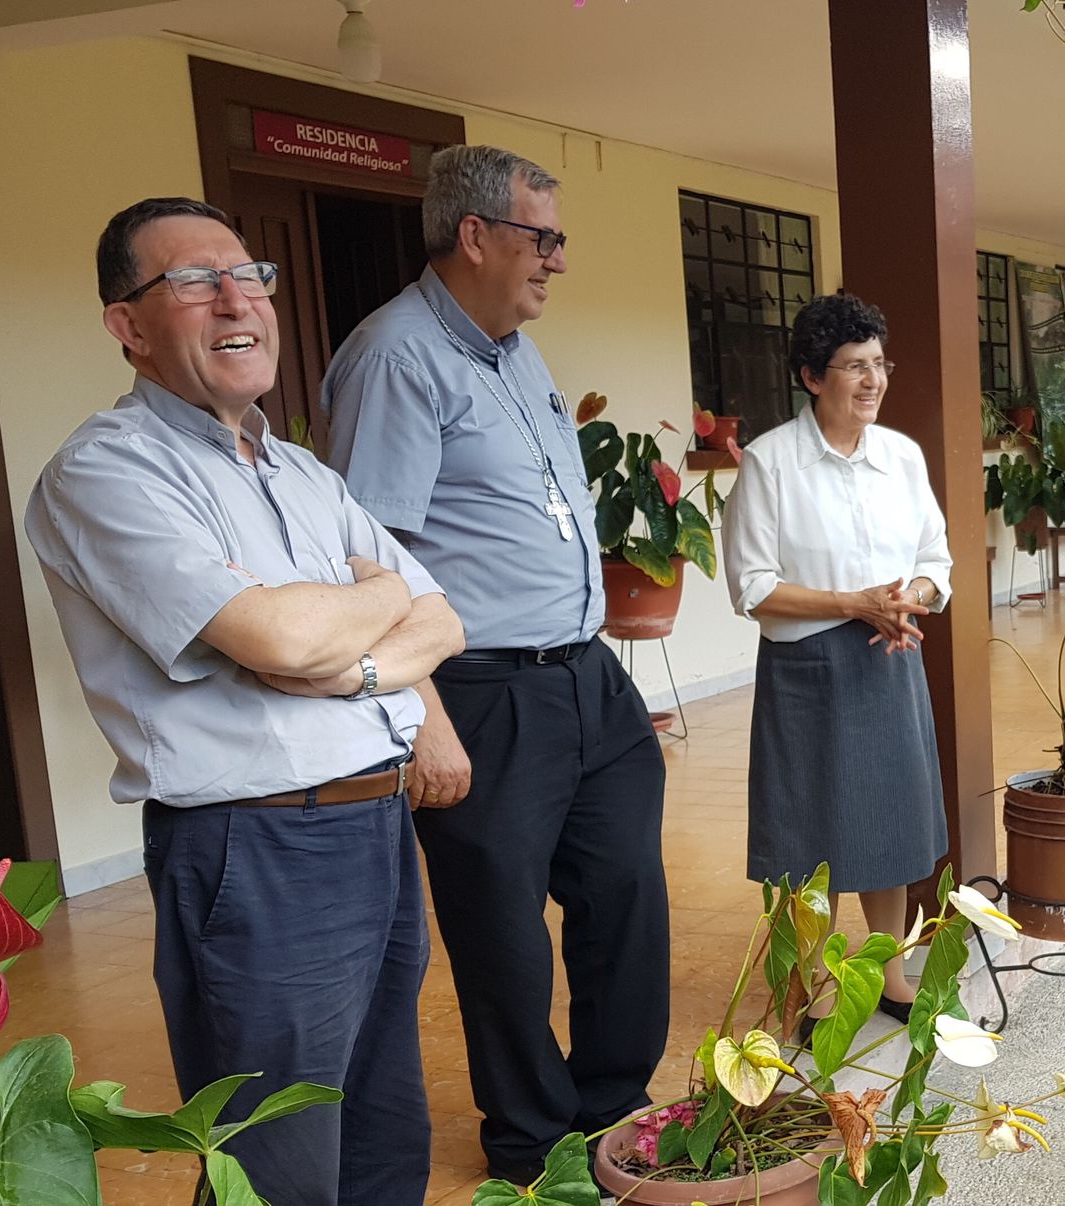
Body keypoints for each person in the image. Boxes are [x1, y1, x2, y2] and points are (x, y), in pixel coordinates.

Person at [25, 197, 464, 1205]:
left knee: (385, 1128)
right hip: (256, 848)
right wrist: (376, 597)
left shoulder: (306, 473)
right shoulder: (107, 471)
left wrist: (355, 643)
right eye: (191, 279)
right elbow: (275, 638)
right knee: (278, 1162)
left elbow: (442, 622)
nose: (237, 296)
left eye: (248, 273)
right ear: (126, 326)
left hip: (376, 825)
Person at [322, 145, 670, 1184]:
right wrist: (423, 712)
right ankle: (533, 1146)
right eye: (543, 237)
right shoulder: (395, 358)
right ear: (472, 236)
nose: (557, 261)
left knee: (625, 899)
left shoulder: (513, 351)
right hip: (478, 691)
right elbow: (366, 556)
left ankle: (613, 1113)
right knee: (504, 936)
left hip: (583, 679)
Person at [720, 292, 950, 1030]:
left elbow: (934, 561)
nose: (873, 380)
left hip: (890, 656)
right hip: (808, 672)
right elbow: (753, 588)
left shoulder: (902, 456)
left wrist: (906, 597)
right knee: (808, 835)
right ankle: (809, 984)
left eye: (879, 364)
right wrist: (855, 604)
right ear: (812, 377)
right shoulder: (770, 462)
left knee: (887, 827)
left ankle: (888, 974)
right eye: (855, 367)